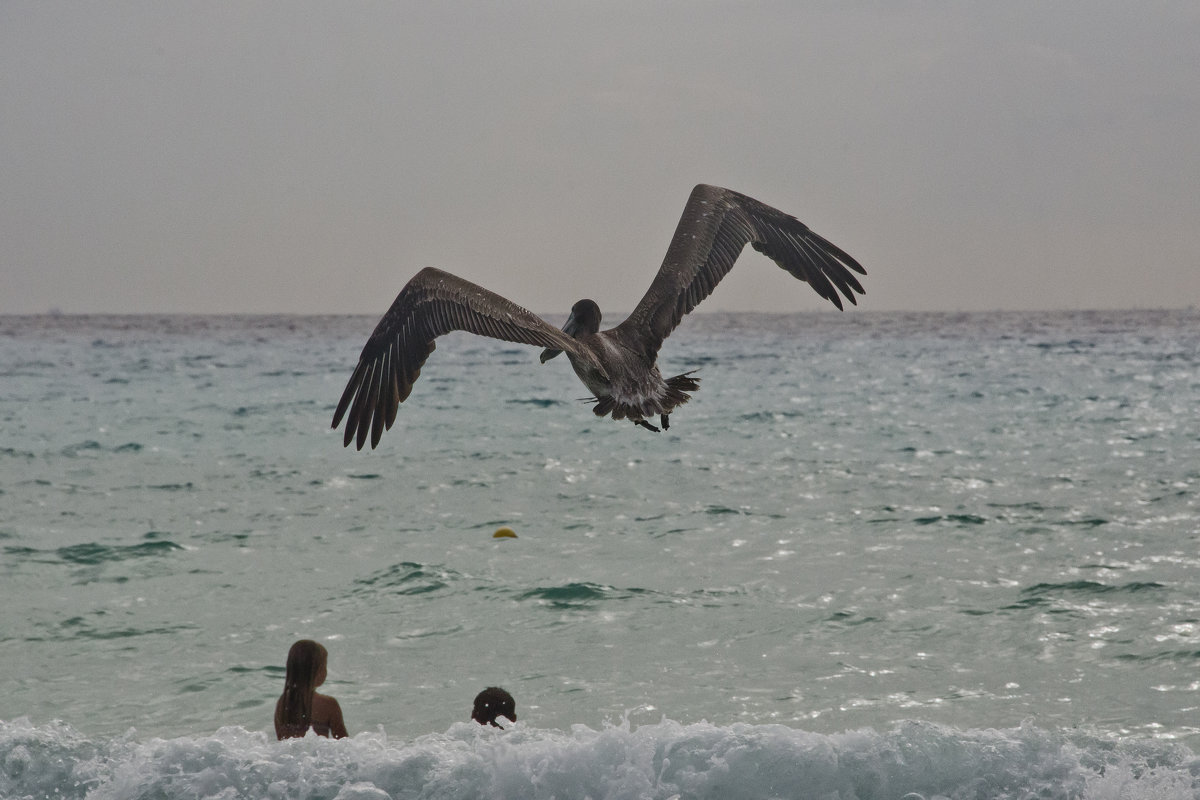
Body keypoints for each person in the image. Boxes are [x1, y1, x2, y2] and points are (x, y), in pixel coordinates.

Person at [274, 639, 348, 740]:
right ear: (317, 671)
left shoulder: (282, 703)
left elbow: (281, 741)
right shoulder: (329, 704)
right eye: (325, 665)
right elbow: (344, 743)